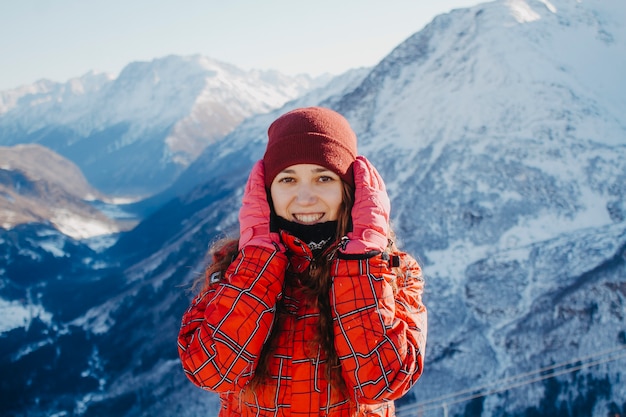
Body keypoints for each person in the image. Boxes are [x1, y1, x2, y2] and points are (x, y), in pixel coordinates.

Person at [178, 106, 427, 416]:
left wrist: (362, 257)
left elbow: (381, 383)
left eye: (324, 178)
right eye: (288, 180)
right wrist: (257, 259)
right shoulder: (236, 268)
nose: (306, 197)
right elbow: (211, 371)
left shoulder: (393, 272)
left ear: (349, 190)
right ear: (266, 192)